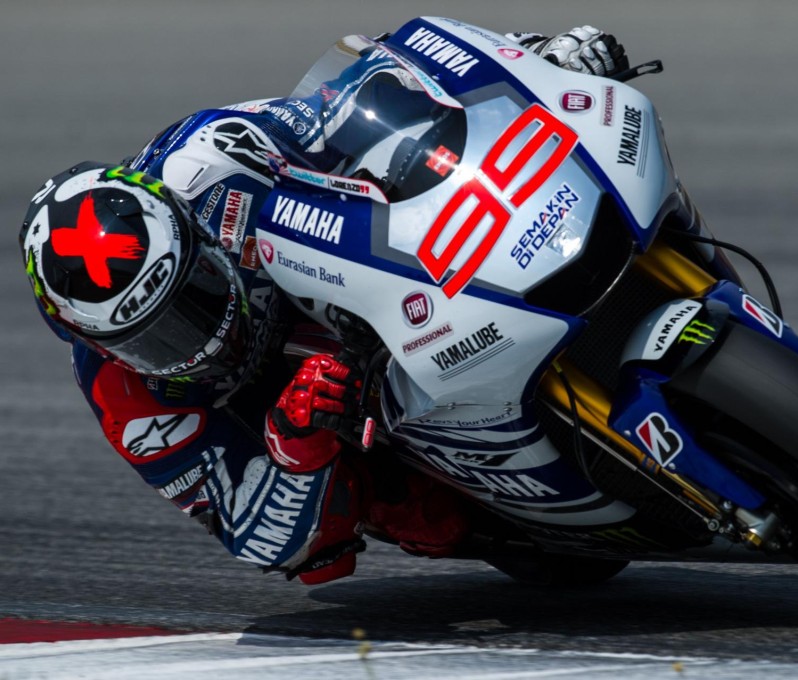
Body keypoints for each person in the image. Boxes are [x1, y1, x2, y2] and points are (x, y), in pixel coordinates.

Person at [19, 26, 629, 585]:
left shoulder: (213, 154)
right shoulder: (125, 401)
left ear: (192, 230)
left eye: (197, 289)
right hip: (314, 405)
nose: (201, 337)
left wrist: (537, 62)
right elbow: (257, 538)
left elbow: (362, 96)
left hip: (366, 269)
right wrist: (293, 439)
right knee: (417, 519)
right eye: (155, 339)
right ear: (99, 346)